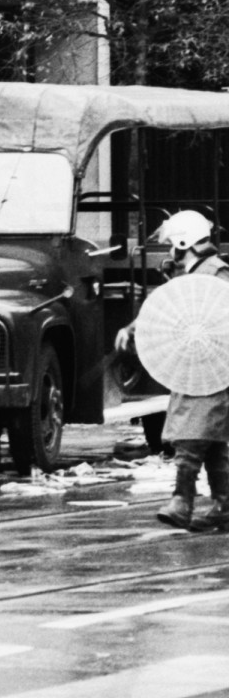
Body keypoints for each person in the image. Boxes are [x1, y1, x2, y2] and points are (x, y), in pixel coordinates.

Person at [119, 210, 229, 530]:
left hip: (211, 371)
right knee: (211, 440)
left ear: (185, 243)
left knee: (191, 436)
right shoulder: (195, 273)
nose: (170, 252)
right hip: (195, 368)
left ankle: (182, 500)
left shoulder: (214, 275)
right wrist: (135, 327)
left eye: (172, 245)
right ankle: (223, 503)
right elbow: (172, 308)